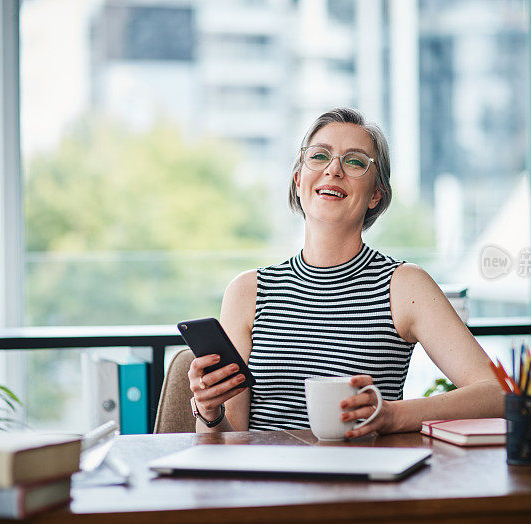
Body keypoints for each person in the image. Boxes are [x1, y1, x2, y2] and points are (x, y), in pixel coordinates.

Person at [188, 107, 504, 437]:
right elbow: (229, 438)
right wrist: (210, 413)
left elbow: (497, 393)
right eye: (320, 156)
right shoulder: (247, 291)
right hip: (268, 484)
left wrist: (394, 415)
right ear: (298, 180)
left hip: (362, 481)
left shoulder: (405, 287)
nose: (334, 169)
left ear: (376, 194)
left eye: (354, 161)